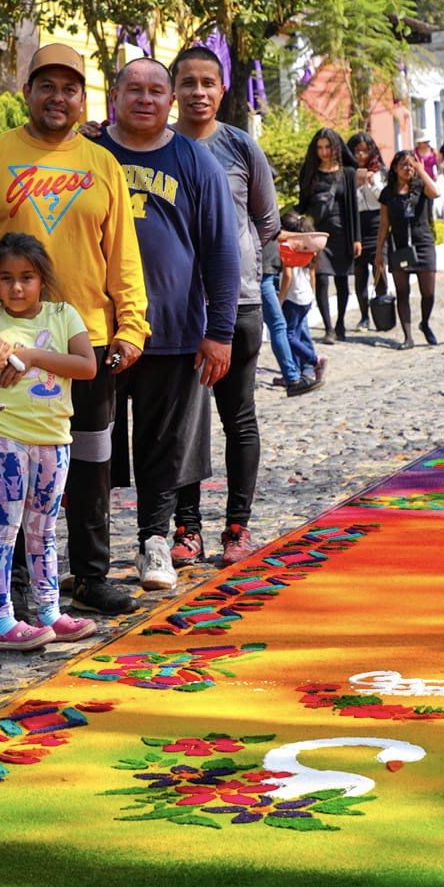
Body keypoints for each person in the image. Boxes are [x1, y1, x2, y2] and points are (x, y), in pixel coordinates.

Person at [0, 43, 150, 617]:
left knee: (90, 464)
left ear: (83, 99)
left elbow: (123, 254)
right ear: (27, 93)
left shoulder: (103, 166)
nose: (58, 98)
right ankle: (17, 580)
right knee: (14, 462)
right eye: (47, 86)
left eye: (70, 88)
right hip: (11, 344)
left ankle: (90, 574)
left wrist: (131, 326)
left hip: (83, 340)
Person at [99, 58, 237, 590]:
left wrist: (219, 330)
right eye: (134, 89)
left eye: (157, 90)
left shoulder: (195, 161)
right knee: (94, 444)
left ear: (170, 99)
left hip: (175, 330)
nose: (146, 99)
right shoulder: (92, 154)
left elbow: (221, 251)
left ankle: (155, 541)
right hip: (99, 332)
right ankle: (90, 549)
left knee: (162, 446)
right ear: (115, 94)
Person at [0, 232, 100, 651]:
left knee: (43, 528)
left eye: (26, 277)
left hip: (53, 439)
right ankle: (1, 619)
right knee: (3, 527)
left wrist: (31, 356)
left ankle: (48, 610)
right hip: (3, 440)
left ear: (42, 279)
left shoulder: (64, 315)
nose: (16, 287)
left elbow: (87, 366)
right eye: (6, 278)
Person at [170, 46, 279, 567]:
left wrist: (235, 265)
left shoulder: (240, 147)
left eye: (208, 83)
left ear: (222, 90)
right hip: (173, 312)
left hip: (237, 306)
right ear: (174, 90)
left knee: (238, 418)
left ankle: (238, 527)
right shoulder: (159, 147)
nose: (198, 92)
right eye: (187, 82)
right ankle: (186, 529)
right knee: (182, 423)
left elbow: (266, 221)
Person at [375, 150, 443, 348]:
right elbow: (383, 224)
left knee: (428, 293)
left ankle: (425, 323)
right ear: (395, 168)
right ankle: (408, 336)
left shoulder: (421, 187)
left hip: (423, 243)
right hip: (399, 246)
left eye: (412, 164)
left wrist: (422, 170)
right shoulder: (387, 193)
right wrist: (380, 252)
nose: (408, 168)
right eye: (404, 164)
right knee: (402, 292)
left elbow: (436, 192)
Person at [299, 128, 361, 341]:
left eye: (327, 147)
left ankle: (341, 322)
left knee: (342, 281)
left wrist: (357, 238)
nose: (323, 152)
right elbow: (303, 204)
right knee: (323, 279)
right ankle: (328, 329)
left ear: (335, 148)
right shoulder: (310, 172)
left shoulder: (347, 173)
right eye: (319, 147)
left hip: (343, 233)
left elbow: (353, 208)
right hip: (318, 234)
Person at [347, 132, 388, 332]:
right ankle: (364, 317)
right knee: (360, 273)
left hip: (376, 222)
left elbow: (383, 199)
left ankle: (382, 311)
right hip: (356, 225)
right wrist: (355, 183)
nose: (360, 155)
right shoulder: (348, 173)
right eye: (356, 151)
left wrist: (371, 183)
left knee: (379, 269)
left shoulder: (380, 172)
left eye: (364, 151)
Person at [275, 218, 324, 387]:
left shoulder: (288, 247)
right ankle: (294, 371)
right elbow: (312, 275)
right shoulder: (309, 248)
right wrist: (313, 295)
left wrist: (279, 300)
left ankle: (314, 360)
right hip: (306, 297)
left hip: (293, 298)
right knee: (296, 334)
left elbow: (287, 276)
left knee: (288, 336)